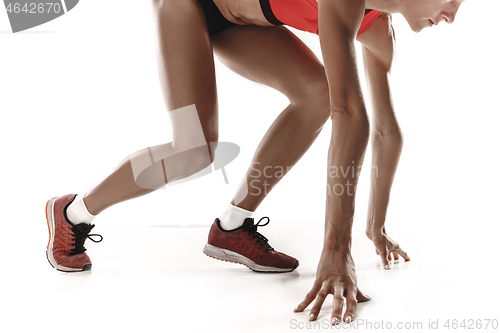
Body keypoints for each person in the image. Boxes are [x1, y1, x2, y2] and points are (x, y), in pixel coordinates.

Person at [44, 0, 464, 324]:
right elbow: (351, 114)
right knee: (195, 149)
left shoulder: (381, 31)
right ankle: (72, 212)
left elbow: (386, 130)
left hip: (242, 20)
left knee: (315, 95)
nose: (452, 14)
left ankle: (230, 228)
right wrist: (336, 249)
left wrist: (376, 224)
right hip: (189, 5)